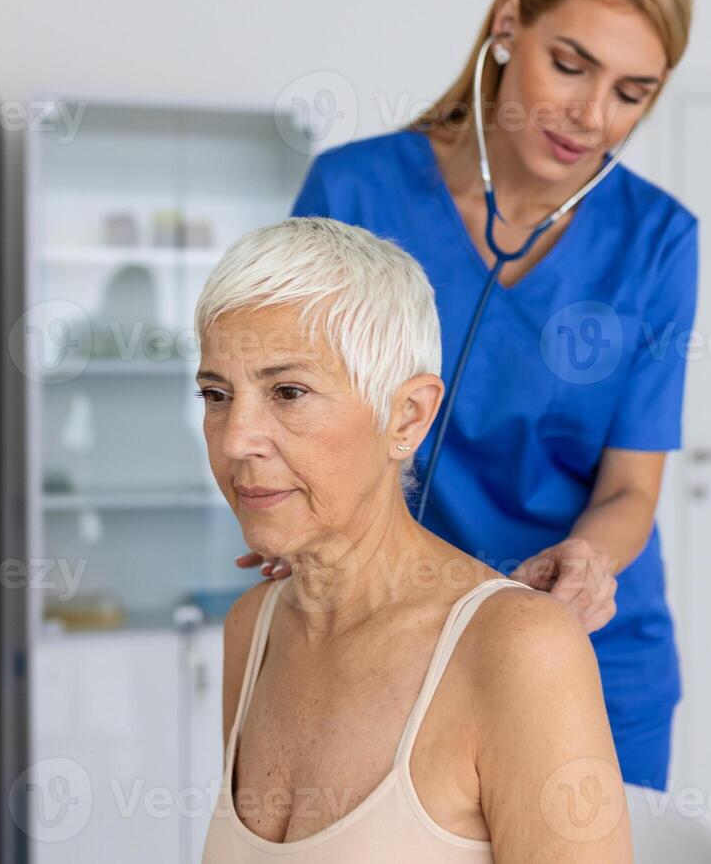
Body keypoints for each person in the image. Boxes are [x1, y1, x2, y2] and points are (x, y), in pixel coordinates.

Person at [242, 0, 698, 791]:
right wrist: (293, 508)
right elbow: (281, 401)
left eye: (632, 93)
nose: (591, 115)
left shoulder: (658, 240)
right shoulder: (355, 190)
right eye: (570, 64)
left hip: (590, 645)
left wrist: (590, 561)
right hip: (387, 631)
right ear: (506, 24)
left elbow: (632, 486)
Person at [197, 217, 633, 861]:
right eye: (216, 394)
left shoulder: (519, 649)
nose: (235, 440)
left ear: (407, 416)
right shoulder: (253, 628)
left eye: (288, 392)